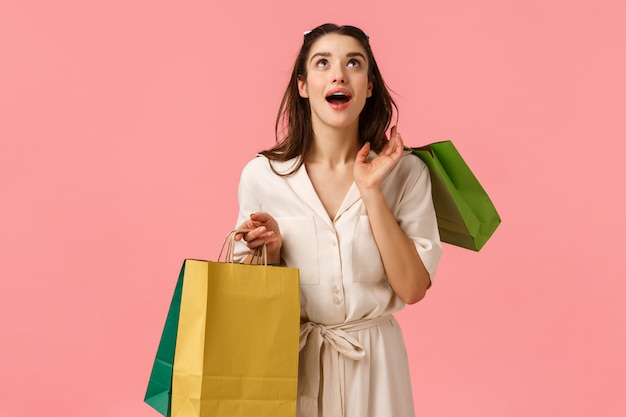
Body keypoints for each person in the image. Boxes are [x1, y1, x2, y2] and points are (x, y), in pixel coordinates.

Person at [233, 23, 442, 417]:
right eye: (322, 62)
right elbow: (250, 299)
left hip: (376, 365)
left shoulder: (406, 171)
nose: (338, 74)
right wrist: (272, 254)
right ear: (303, 85)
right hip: (292, 367)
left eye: (354, 63)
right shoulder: (262, 176)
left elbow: (413, 288)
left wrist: (371, 192)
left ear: (369, 86)